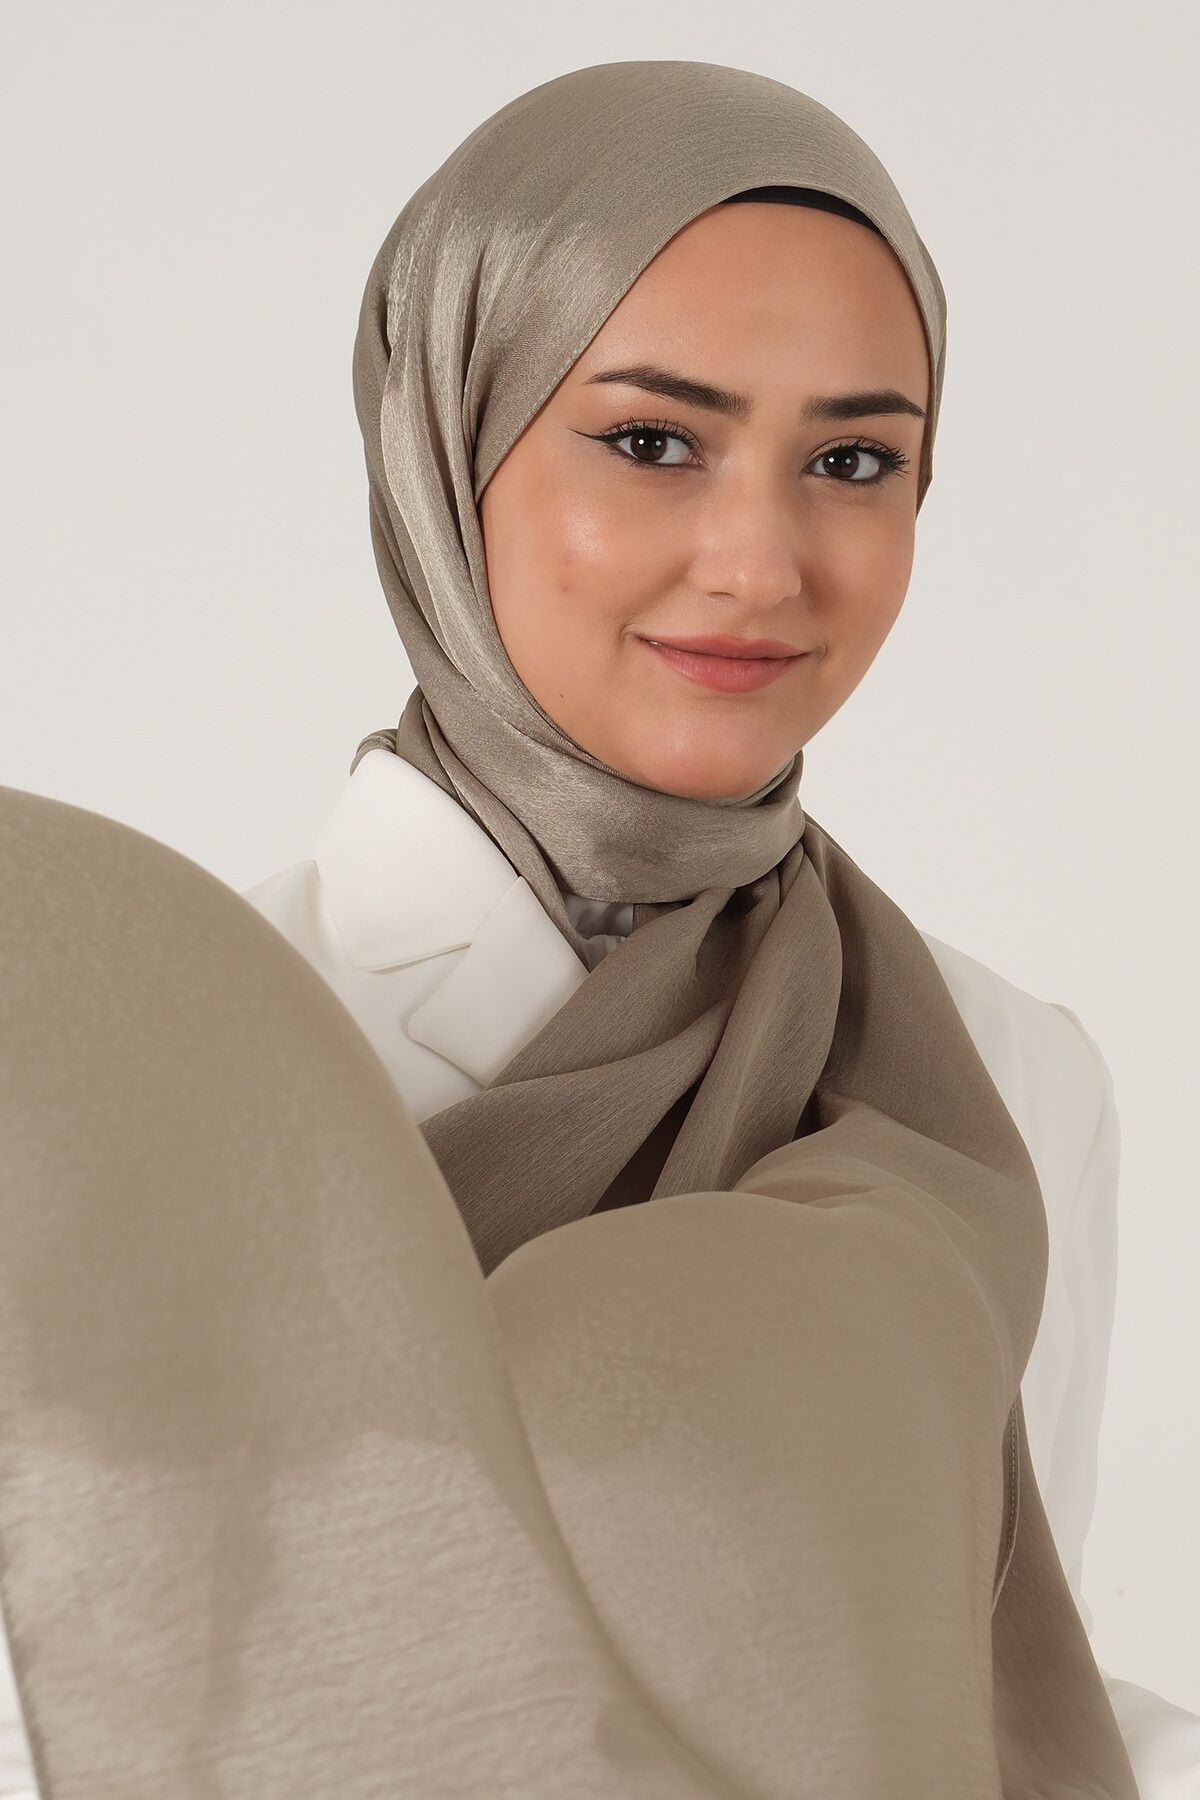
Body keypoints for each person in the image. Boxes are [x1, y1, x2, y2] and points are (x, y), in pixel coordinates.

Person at [2, 57, 1198, 1797]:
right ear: (447, 441)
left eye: (853, 459)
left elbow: (1003, 1691)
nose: (760, 562)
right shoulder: (144, 1074)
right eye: (652, 442)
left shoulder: (1006, 1075)